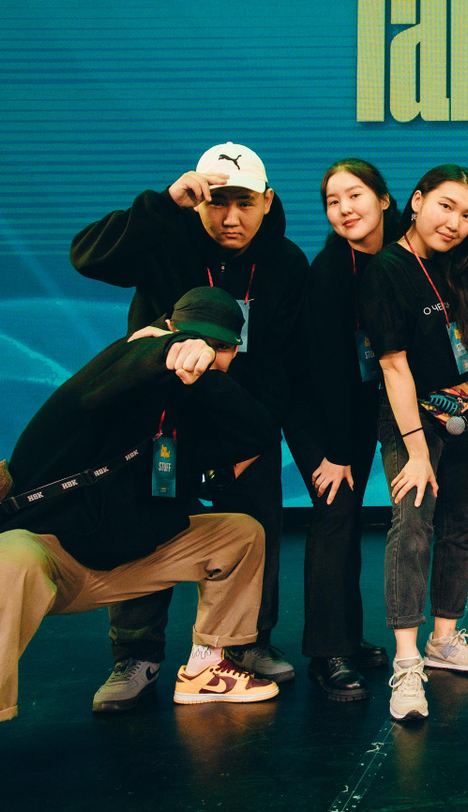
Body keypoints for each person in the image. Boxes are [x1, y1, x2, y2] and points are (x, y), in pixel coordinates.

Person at [0, 289, 279, 812]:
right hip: (51, 558)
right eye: (189, 338)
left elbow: (259, 431)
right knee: (7, 556)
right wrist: (157, 350)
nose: (201, 351)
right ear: (165, 330)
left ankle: (205, 666)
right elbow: (94, 391)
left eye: (219, 347)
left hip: (130, 563)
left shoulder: (192, 414)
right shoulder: (111, 376)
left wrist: (206, 376)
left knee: (240, 533)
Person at [69, 143, 333, 710]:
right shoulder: (165, 237)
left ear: (268, 201)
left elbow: (284, 361)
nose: (230, 218)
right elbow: (87, 257)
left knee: (255, 529)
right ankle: (136, 655)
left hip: (240, 424)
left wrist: (255, 437)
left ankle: (243, 644)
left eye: (244, 204)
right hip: (159, 427)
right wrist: (164, 204)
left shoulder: (287, 263)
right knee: (145, 530)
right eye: (217, 203)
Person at [363, 166, 468, 720]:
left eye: (467, 215)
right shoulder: (386, 269)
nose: (455, 223)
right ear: (417, 201)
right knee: (413, 525)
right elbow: (393, 367)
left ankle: (444, 639)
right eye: (446, 207)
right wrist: (418, 452)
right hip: (413, 416)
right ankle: (406, 661)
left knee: (461, 525)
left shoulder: (462, 264)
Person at [283, 160, 406, 701]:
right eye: (333, 202)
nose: (344, 209)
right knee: (335, 513)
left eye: (354, 195)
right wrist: (335, 452)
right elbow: (329, 368)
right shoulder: (330, 271)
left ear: (384, 199)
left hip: (357, 403)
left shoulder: (401, 251)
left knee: (351, 515)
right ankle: (326, 654)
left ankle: (349, 638)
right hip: (315, 409)